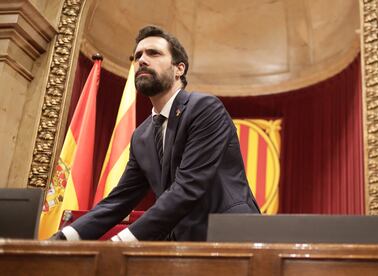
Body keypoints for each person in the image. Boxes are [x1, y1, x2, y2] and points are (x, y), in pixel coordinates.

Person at [52, 25, 260, 242]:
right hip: (179, 247)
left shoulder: (204, 108)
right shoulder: (141, 136)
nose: (141, 60)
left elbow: (188, 187)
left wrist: (119, 243)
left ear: (179, 69)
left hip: (230, 238)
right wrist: (63, 237)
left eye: (154, 53)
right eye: (138, 55)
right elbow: (118, 201)